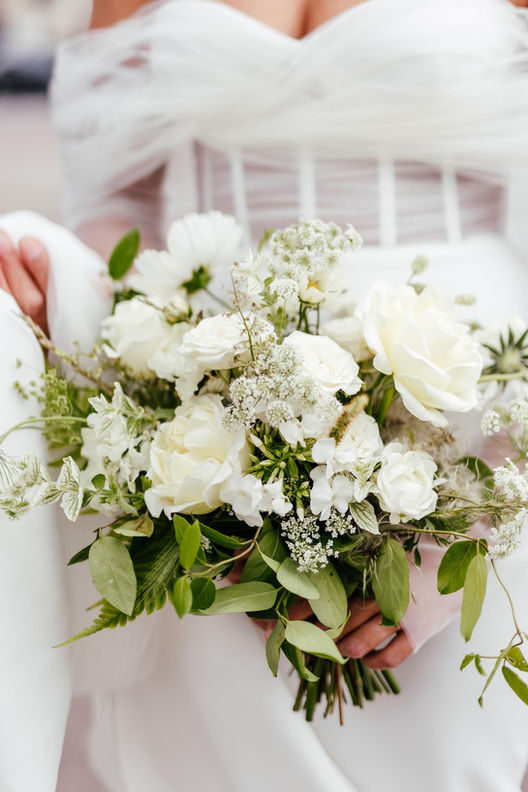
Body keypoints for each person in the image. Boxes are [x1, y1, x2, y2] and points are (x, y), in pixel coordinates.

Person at [2, 0, 528, 789]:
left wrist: (470, 533)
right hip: (207, 433)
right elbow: (120, 204)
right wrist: (81, 308)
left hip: (468, 423)